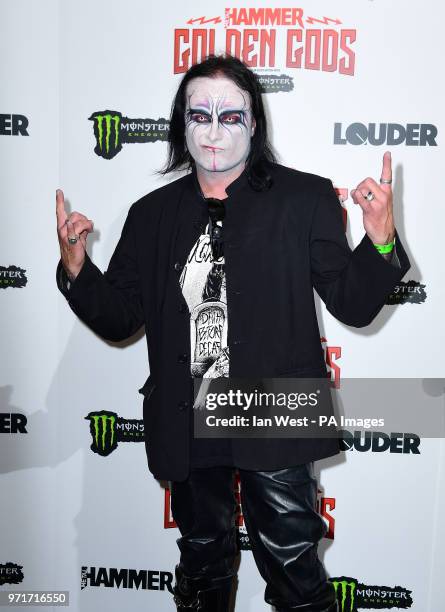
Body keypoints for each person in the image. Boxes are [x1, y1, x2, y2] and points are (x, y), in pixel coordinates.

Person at [56, 54, 410, 612]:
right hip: (186, 414)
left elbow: (352, 304)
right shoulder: (150, 214)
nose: (214, 130)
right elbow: (122, 316)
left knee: (295, 570)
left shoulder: (306, 198)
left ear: (254, 124)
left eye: (230, 116)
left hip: (273, 408)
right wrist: (77, 270)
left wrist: (382, 243)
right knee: (202, 564)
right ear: (182, 124)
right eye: (199, 115)